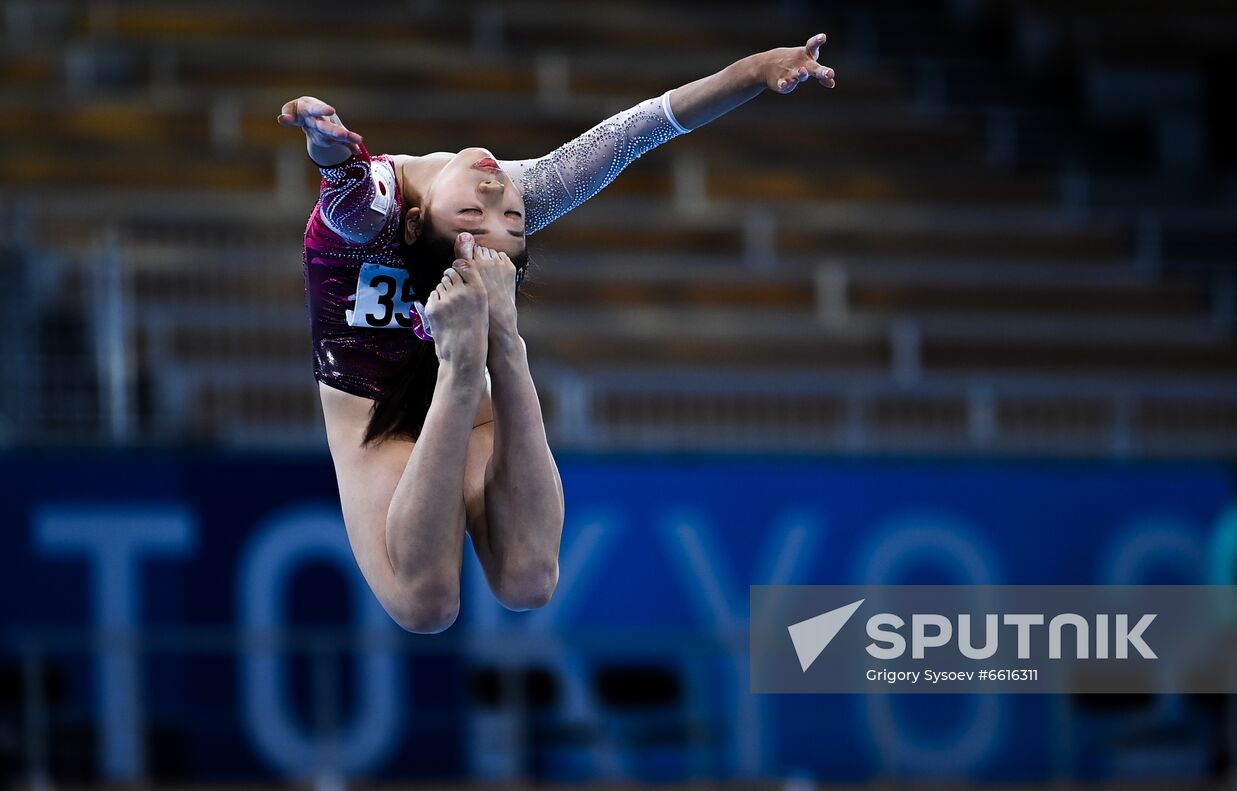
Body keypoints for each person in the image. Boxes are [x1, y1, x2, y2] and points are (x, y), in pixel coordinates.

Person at [280, 35, 837, 632]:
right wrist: (752, 72)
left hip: (473, 405)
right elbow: (639, 130)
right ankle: (469, 362)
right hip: (377, 419)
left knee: (529, 582)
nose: (497, 198)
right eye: (502, 219)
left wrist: (501, 349)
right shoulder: (388, 212)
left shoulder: (382, 211)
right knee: (425, 606)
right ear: (412, 225)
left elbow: (349, 191)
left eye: (490, 216)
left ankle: (484, 357)